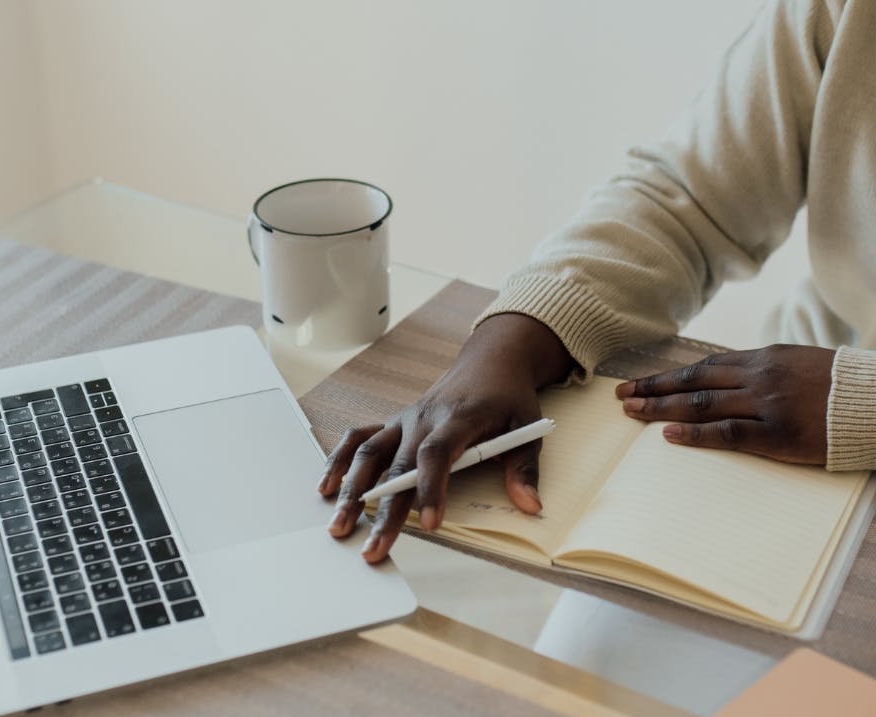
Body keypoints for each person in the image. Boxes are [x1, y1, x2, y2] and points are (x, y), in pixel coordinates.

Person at [320, 0, 876, 564]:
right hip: (789, 396)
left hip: (824, 411)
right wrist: (508, 340)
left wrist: (865, 402)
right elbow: (688, 203)